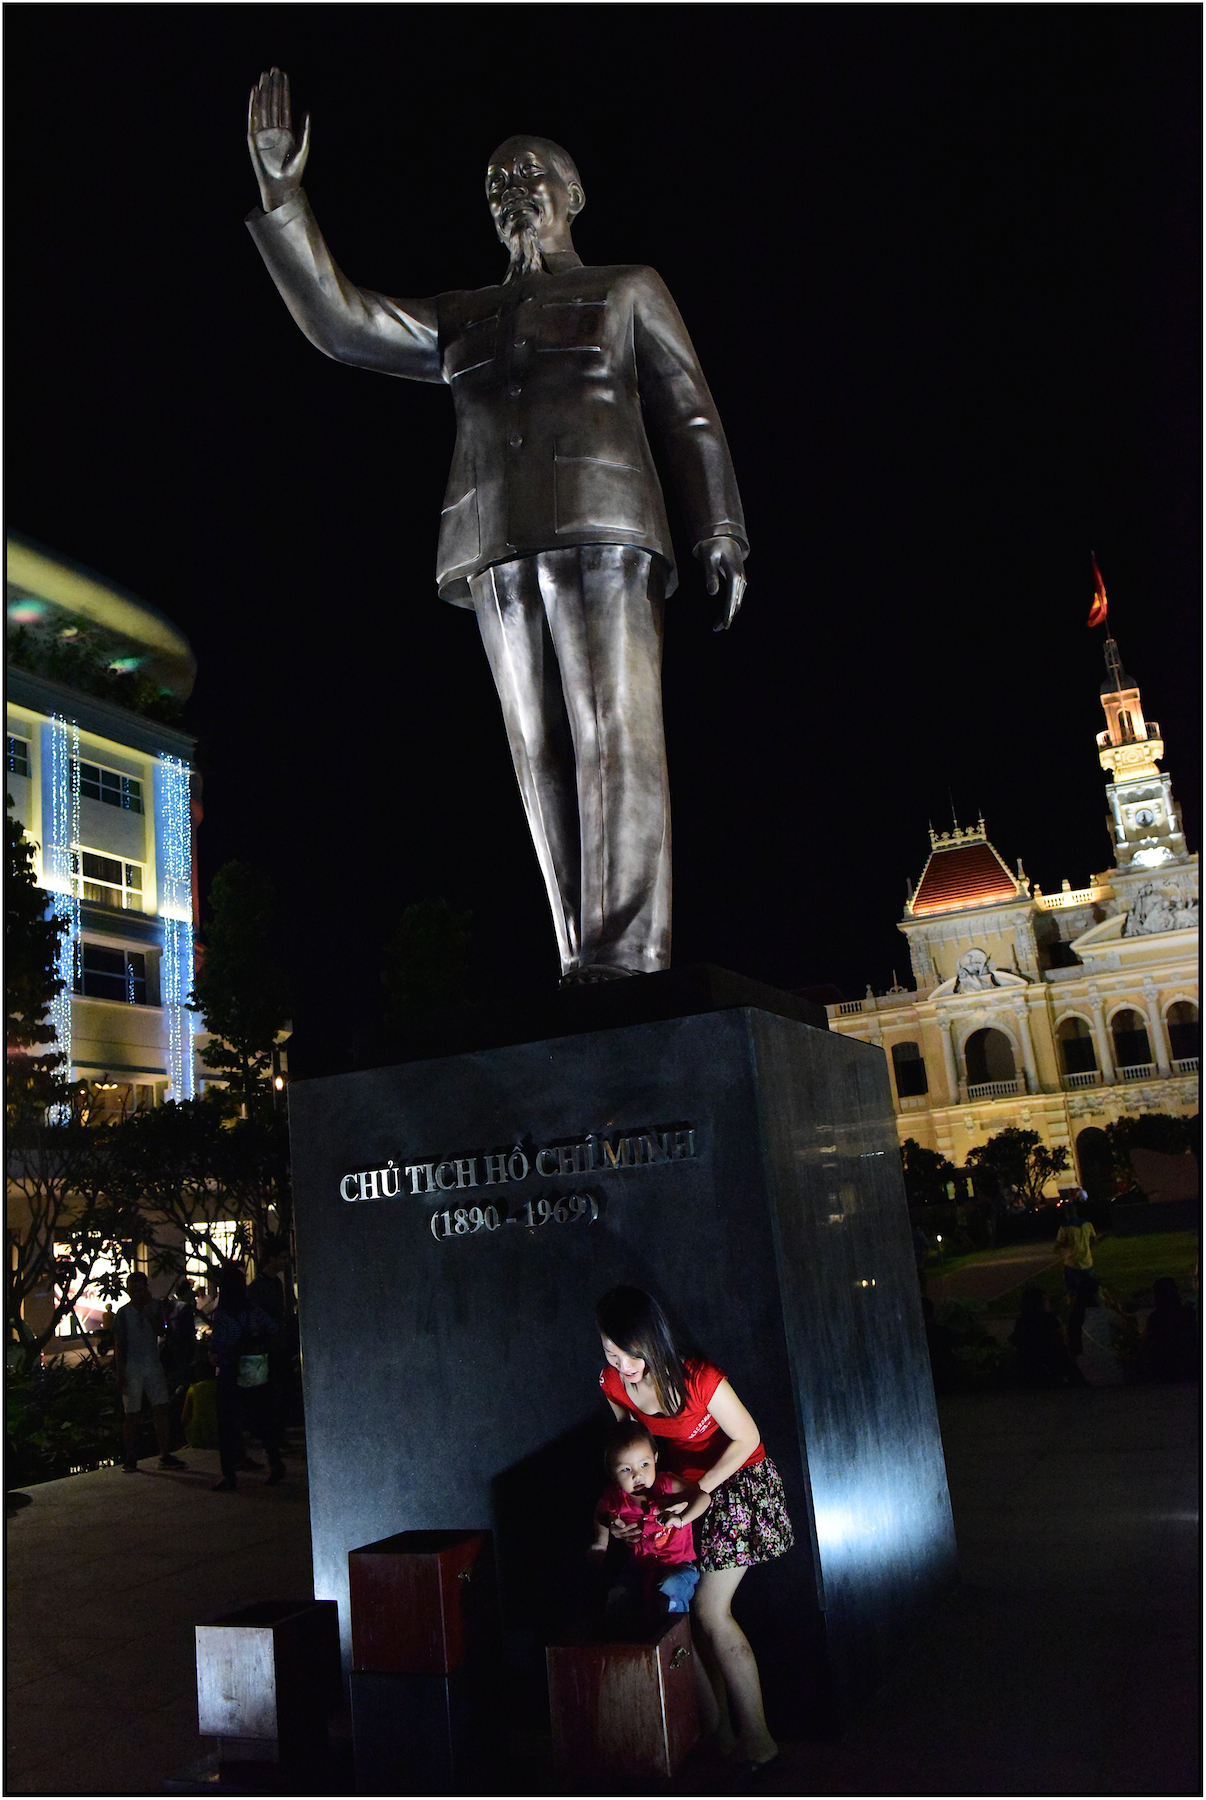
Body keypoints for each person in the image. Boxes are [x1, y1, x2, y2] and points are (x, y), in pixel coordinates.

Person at [245, 72, 747, 984]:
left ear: (572, 195)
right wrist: (284, 195)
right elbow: (344, 323)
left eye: (529, 177)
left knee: (615, 734)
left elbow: (692, 412)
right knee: (539, 752)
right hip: (492, 544)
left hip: (607, 523)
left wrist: (720, 523)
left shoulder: (627, 287)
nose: (512, 193)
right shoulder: (463, 317)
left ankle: (628, 950)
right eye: (496, 187)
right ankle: (577, 952)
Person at [595, 1287, 792, 1772]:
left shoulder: (699, 1378)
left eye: (628, 1353)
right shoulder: (615, 1384)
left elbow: (748, 1437)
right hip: (680, 1493)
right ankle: (718, 1736)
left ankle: (761, 1741)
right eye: (609, 1354)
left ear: (650, 1341)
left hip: (738, 1482)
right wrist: (628, 1515)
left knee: (710, 1610)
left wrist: (702, 1488)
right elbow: (631, 1454)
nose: (622, 1366)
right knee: (684, 1620)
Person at [589, 1421, 711, 1617]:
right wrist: (600, 1542)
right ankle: (627, 1644)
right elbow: (600, 1512)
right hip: (639, 1566)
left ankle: (676, 1639)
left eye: (644, 1464)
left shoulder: (668, 1484)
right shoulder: (615, 1497)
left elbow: (703, 1497)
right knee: (618, 1598)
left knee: (670, 1591)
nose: (638, 1475)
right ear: (611, 1472)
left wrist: (681, 1519)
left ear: (655, 1458)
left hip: (677, 1565)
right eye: (626, 1470)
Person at [208, 1267, 285, 1491]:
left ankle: (228, 1473)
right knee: (261, 1417)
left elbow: (220, 1343)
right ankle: (274, 1460)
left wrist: (215, 1352)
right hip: (254, 1367)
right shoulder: (252, 1310)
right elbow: (273, 1326)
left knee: (228, 1423)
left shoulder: (222, 1314)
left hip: (231, 1370)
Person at [113, 1271, 187, 1472]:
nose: (137, 1293)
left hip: (152, 1364)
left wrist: (148, 1310)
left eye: (140, 1289)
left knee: (161, 1408)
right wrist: (120, 1373)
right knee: (132, 1414)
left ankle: (164, 1454)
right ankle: (131, 1456)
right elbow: (119, 1345)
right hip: (133, 1367)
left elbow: (161, 1331)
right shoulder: (123, 1313)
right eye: (133, 1289)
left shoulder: (154, 1307)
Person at [1010, 1288, 1085, 1388]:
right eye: (1045, 1300)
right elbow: (1060, 1339)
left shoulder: (1022, 1320)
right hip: (1049, 1361)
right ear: (1040, 1302)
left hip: (1028, 1364)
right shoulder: (1049, 1319)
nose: (1048, 1302)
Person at [1054, 1195, 1099, 1355]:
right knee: (1092, 1289)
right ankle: (1095, 1311)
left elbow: (1060, 1244)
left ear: (1066, 1214)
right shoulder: (1087, 1224)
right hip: (1087, 1262)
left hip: (1071, 1263)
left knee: (1073, 1291)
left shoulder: (1064, 1227)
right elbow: (1094, 1239)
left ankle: (1076, 1314)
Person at [1140, 1277, 1198, 1383]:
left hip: (1166, 1370)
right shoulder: (1189, 1314)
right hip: (1189, 1367)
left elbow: (1145, 1344)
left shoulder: (1155, 1318)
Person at [181, 1351, 220, 1449]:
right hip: (220, 1432)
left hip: (198, 1436)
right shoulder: (221, 1388)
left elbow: (184, 1418)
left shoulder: (194, 1389)